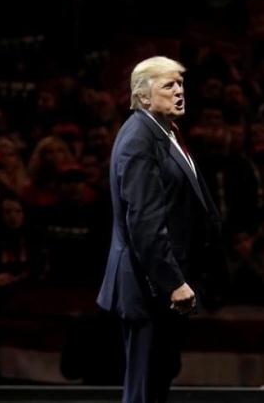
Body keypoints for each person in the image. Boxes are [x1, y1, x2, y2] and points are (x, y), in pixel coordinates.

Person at [97, 56, 226, 403]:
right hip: (148, 288)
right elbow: (144, 221)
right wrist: (173, 282)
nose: (180, 91)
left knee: (157, 377)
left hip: (160, 288)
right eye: (169, 85)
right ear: (143, 95)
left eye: (180, 84)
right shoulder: (139, 139)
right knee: (143, 388)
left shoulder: (163, 130)